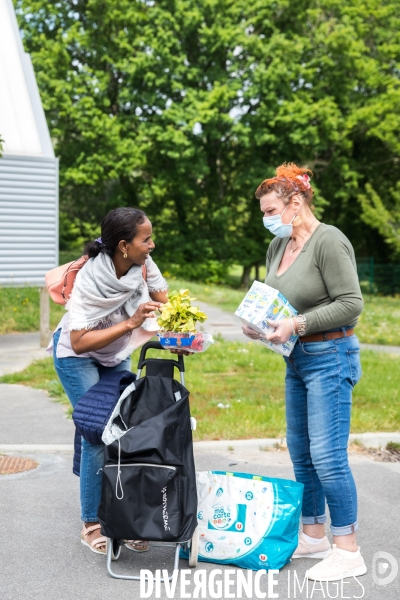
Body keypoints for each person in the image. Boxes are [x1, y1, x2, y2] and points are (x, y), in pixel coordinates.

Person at [242, 163, 367, 582]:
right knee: (302, 454)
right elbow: (276, 298)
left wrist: (295, 325)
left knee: (328, 457)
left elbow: (351, 304)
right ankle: (313, 535)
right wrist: (258, 322)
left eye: (272, 209)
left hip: (331, 356)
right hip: (295, 359)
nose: (267, 218)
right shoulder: (278, 247)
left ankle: (348, 549)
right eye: (263, 211)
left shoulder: (330, 241)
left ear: (297, 203)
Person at [49, 207, 169, 555]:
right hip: (76, 357)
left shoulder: (143, 264)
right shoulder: (89, 279)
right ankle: (92, 522)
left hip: (115, 354)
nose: (152, 244)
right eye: (145, 239)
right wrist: (132, 323)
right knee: (99, 431)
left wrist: (182, 333)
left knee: (125, 431)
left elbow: (165, 302)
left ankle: (127, 517)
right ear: (123, 245)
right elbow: (80, 340)